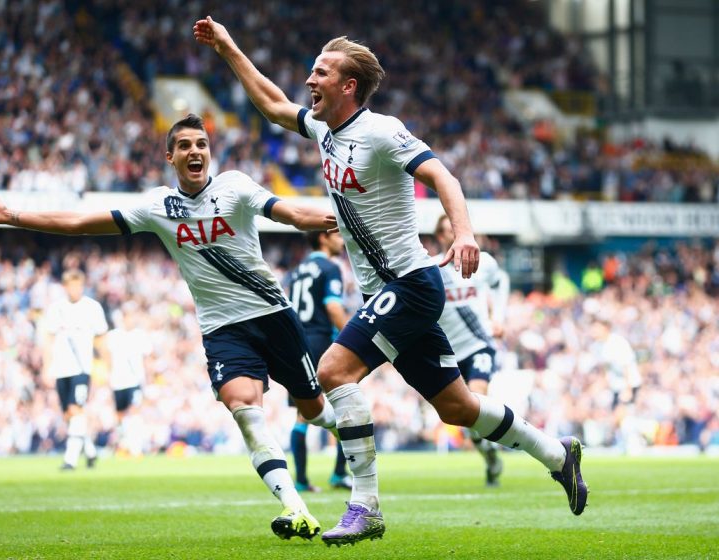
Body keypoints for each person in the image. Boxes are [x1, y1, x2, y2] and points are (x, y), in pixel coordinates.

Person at [194, 18, 589, 545]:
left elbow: (442, 175)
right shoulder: (323, 131)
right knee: (458, 408)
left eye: (320, 72)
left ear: (347, 86)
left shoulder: (381, 131)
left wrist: (465, 233)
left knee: (334, 370)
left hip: (411, 283)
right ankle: (558, 454)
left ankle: (366, 506)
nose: (309, 80)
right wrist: (226, 47)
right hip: (392, 293)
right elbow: (270, 103)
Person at [0, 113, 341, 541]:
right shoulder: (157, 205)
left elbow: (287, 211)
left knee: (315, 411)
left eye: (201, 144)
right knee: (246, 412)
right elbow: (81, 224)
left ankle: (354, 432)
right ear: (170, 157)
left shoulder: (234, 186)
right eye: (185, 146)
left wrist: (334, 218)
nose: (195, 151)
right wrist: (12, 215)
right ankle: (296, 508)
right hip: (222, 329)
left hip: (273, 317)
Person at [434, 215, 510, 486]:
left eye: (453, 229)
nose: (450, 234)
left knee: (478, 400)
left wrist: (499, 317)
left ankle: (492, 454)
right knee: (468, 417)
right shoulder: (433, 270)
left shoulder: (483, 262)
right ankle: (490, 455)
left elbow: (501, 282)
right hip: (449, 353)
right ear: (439, 236)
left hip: (479, 345)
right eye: (445, 231)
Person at [286, 230, 351, 492]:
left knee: (302, 414)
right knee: (347, 405)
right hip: (322, 342)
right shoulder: (330, 267)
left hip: (298, 344)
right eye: (336, 234)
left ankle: (301, 480)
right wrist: (355, 339)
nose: (341, 239)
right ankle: (338, 473)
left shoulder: (298, 270)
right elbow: (333, 307)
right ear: (323, 238)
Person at [40, 269, 108, 470]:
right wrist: (46, 367)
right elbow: (49, 339)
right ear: (65, 287)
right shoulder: (56, 309)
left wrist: (104, 365)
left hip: (81, 368)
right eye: (71, 285)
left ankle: (70, 459)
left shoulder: (92, 308)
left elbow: (101, 336)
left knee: (75, 410)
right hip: (61, 369)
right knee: (69, 415)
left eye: (78, 285)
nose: (75, 289)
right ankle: (90, 451)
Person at [107, 301, 152, 457]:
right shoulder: (113, 336)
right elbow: (107, 358)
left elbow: (147, 359)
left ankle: (135, 447)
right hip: (118, 381)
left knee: (134, 412)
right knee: (120, 415)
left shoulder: (140, 335)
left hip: (135, 381)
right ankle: (123, 443)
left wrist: (148, 379)